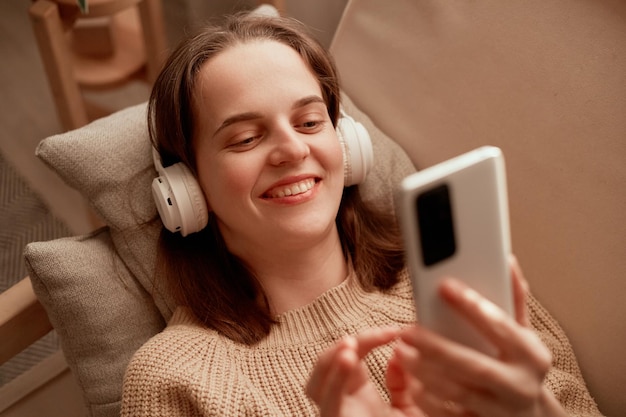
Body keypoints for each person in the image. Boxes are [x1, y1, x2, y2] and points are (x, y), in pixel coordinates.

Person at [121, 11, 602, 417]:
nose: (291, 149)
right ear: (184, 188)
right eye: (246, 138)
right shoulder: (175, 378)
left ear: (347, 145)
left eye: (310, 122)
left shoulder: (460, 286)